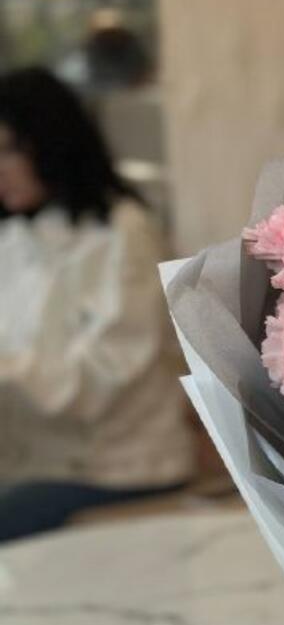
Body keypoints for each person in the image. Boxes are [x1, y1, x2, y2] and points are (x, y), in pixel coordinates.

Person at [0, 67, 195, 542]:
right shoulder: (15, 236)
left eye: (8, 150)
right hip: (36, 462)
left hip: (116, 466)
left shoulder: (123, 230)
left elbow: (99, 380)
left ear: (51, 142)